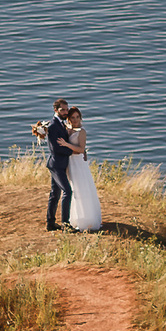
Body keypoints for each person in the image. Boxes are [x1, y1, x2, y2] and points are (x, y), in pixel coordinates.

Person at [31, 98, 77, 232]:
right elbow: (56, 148)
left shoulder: (61, 124)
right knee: (67, 191)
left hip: (59, 164)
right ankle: (65, 224)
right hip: (56, 164)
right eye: (63, 110)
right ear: (55, 110)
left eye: (66, 109)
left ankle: (50, 223)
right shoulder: (53, 126)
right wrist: (72, 151)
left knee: (54, 194)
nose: (66, 112)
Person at [63, 105, 103, 233]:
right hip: (70, 162)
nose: (75, 120)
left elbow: (81, 149)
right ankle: (74, 217)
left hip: (78, 163)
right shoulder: (67, 129)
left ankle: (86, 219)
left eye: (77, 117)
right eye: (72, 117)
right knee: (72, 189)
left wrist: (66, 145)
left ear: (80, 118)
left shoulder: (81, 132)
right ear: (69, 119)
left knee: (81, 188)